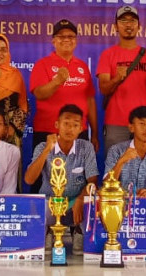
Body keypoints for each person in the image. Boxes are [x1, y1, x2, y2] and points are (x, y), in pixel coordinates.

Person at [30, 19, 97, 192]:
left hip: (78, 131)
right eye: (61, 36)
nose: (66, 39)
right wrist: (57, 81)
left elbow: (89, 100)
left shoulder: (82, 66)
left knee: (79, 181)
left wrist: (94, 133)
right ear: (53, 40)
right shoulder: (42, 64)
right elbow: (39, 93)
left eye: (71, 36)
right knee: (42, 180)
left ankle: (78, 214)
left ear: (76, 40)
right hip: (48, 131)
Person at [25, 105, 98, 256]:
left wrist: (80, 198)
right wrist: (47, 150)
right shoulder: (42, 146)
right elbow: (29, 180)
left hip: (75, 203)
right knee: (36, 205)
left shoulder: (86, 147)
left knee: (91, 202)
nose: (70, 129)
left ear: (81, 128)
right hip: (50, 201)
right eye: (66, 123)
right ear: (57, 125)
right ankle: (47, 232)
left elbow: (92, 181)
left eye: (75, 125)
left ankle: (78, 231)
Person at [97, 6, 146, 153]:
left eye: (132, 21)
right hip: (115, 124)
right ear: (116, 27)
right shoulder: (107, 55)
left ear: (139, 26)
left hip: (143, 123)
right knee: (114, 171)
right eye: (123, 20)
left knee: (142, 172)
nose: (128, 25)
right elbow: (103, 89)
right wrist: (117, 78)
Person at [104, 106, 146, 197]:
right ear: (131, 127)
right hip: (120, 206)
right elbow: (106, 186)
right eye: (142, 124)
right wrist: (121, 161)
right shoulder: (116, 150)